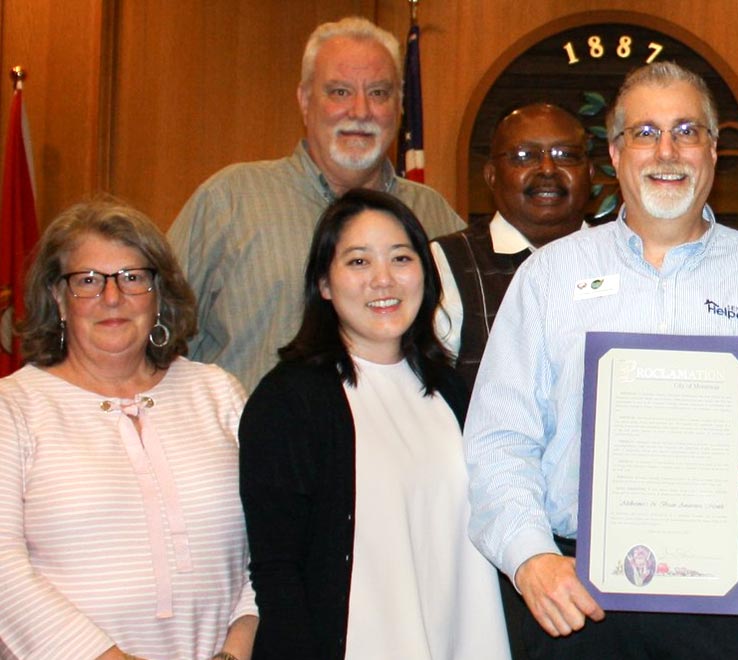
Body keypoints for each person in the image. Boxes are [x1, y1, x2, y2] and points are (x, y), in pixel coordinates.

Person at [464, 61, 738, 659]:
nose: (666, 150)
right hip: (576, 600)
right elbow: (499, 439)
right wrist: (529, 557)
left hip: (733, 605)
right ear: (615, 155)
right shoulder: (548, 279)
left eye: (687, 131)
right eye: (644, 133)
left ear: (713, 152)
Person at [238, 190, 509, 659]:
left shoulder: (452, 390)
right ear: (323, 283)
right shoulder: (288, 401)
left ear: (426, 273)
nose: (383, 280)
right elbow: (276, 571)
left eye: (401, 258)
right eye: (358, 262)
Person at [0, 200, 257, 659]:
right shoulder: (14, 406)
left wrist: (236, 650)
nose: (112, 298)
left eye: (133, 277)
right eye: (88, 281)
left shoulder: (218, 394)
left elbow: (274, 544)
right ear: (58, 299)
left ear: (160, 293)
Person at [170, 16, 463, 389]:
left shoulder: (436, 216)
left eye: (378, 93)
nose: (360, 111)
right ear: (305, 100)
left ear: (400, 105)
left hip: (394, 441)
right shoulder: (229, 201)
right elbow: (156, 330)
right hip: (247, 445)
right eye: (339, 92)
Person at [432, 102, 592, 387]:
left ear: (590, 173)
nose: (547, 169)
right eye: (524, 156)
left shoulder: (622, 258)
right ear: (491, 175)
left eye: (565, 155)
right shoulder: (445, 263)